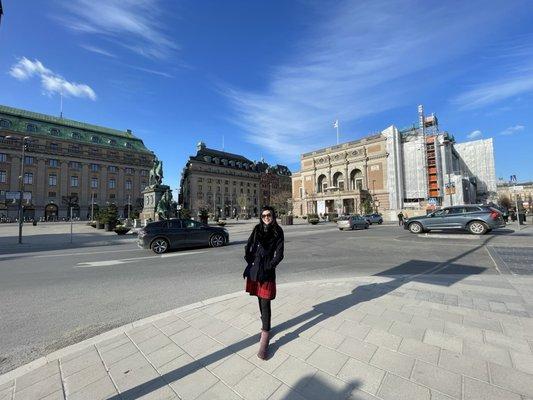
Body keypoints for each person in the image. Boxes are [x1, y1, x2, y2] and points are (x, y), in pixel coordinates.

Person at [243, 206, 284, 360]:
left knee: (266, 302)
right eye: (264, 215)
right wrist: (249, 259)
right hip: (255, 269)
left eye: (269, 215)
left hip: (266, 271)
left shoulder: (277, 231)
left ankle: (265, 336)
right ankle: (264, 323)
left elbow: (280, 255)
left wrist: (269, 266)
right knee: (260, 299)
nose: (266, 217)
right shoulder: (257, 229)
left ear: (273, 216)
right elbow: (249, 246)